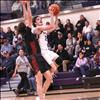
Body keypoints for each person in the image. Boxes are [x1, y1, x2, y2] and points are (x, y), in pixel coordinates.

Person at [18, 1, 53, 100]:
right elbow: (28, 17)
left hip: (38, 56)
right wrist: (27, 4)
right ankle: (41, 98)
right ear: (25, 26)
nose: (27, 22)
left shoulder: (29, 31)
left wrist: (24, 5)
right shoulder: (27, 32)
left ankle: (42, 95)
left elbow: (26, 17)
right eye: (25, 23)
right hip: (33, 57)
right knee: (39, 79)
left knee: (49, 78)